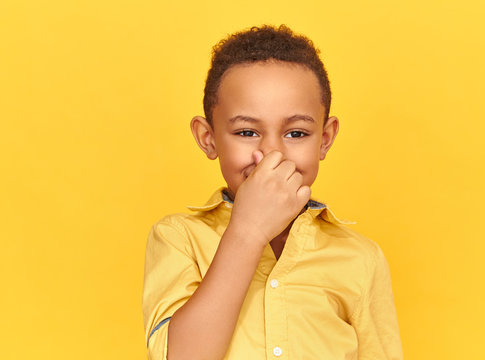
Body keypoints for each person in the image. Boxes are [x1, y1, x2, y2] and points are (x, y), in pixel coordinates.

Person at [142, 25, 403, 360]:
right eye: (247, 131)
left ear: (324, 139)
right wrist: (248, 231)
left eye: (296, 133)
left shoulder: (361, 259)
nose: (272, 154)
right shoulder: (178, 238)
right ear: (208, 138)